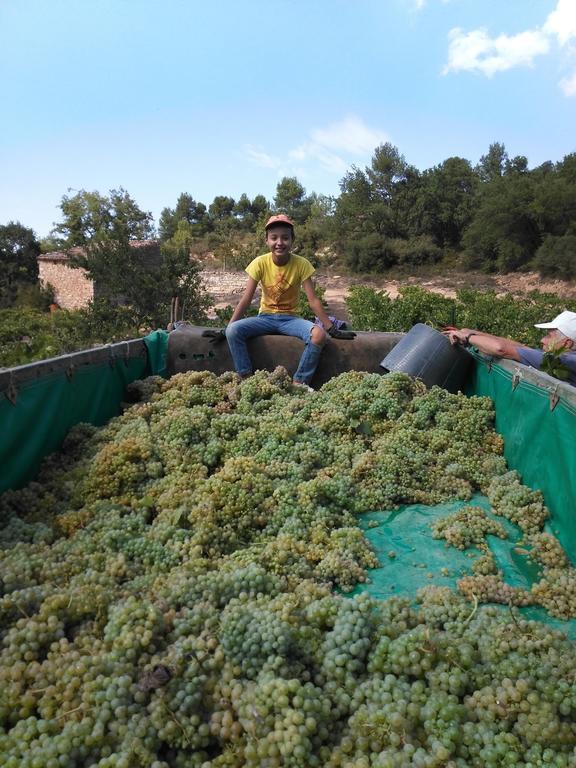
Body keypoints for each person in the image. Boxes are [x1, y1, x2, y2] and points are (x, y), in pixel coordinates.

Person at [207, 214, 355, 387]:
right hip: (265, 318)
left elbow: (313, 300)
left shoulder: (302, 264)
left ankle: (299, 382)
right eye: (274, 238)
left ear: (292, 240)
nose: (279, 242)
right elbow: (246, 299)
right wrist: (227, 328)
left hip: (291, 319)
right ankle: (246, 378)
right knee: (233, 331)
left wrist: (331, 328)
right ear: (267, 241)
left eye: (285, 238)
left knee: (318, 335)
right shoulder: (259, 263)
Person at [444, 310, 576, 386]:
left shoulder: (563, 361)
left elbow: (501, 349)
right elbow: (521, 347)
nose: (542, 340)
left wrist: (468, 337)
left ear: (567, 343)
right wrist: (473, 333)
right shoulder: (564, 355)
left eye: (548, 336)